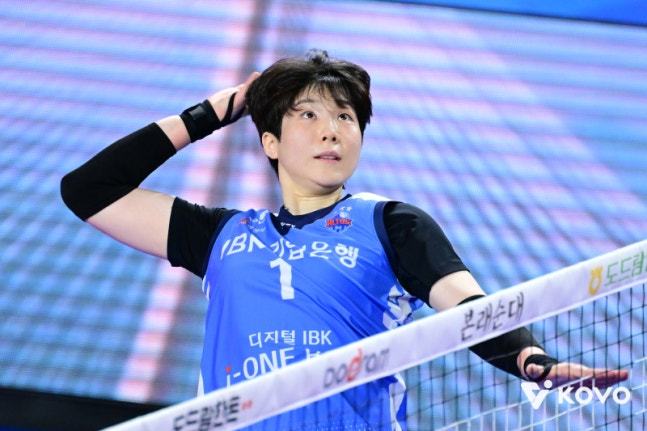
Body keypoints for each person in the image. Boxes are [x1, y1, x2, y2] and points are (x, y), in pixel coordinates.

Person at [61, 50, 626, 430]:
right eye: (307, 115)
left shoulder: (392, 223)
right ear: (270, 142)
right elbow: (88, 190)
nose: (331, 130)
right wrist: (215, 110)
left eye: (345, 117)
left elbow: (472, 311)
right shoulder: (217, 237)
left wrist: (533, 361)